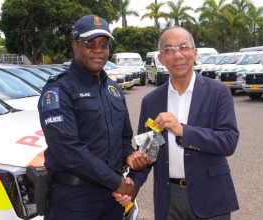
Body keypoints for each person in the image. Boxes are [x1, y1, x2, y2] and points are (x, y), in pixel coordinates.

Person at [116, 26, 240, 219]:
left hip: (210, 195)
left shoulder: (218, 92)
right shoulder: (151, 101)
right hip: (169, 198)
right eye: (169, 50)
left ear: (194, 53)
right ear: (161, 59)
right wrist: (132, 183)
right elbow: (148, 152)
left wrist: (182, 130)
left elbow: (228, 142)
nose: (178, 55)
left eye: (183, 47)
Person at [38, 14, 150, 220]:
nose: (98, 50)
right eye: (90, 43)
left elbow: (123, 139)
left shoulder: (113, 89)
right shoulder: (58, 89)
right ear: (75, 46)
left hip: (112, 198)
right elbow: (68, 150)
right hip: (74, 200)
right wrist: (119, 183)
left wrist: (130, 156)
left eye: (104, 44)